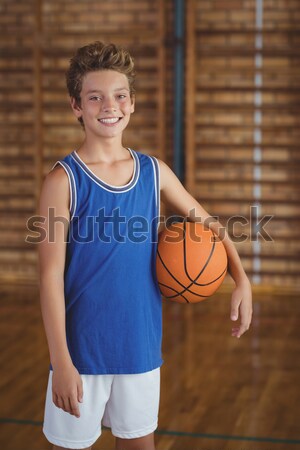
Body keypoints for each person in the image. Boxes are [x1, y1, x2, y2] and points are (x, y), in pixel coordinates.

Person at [38, 41, 252, 450]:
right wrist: (61, 361)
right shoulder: (63, 181)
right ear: (76, 107)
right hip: (81, 353)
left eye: (119, 96)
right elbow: (49, 277)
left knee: (139, 445)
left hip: (139, 347)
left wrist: (241, 278)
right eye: (95, 97)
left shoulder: (154, 172)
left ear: (132, 103)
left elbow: (211, 225)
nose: (109, 106)